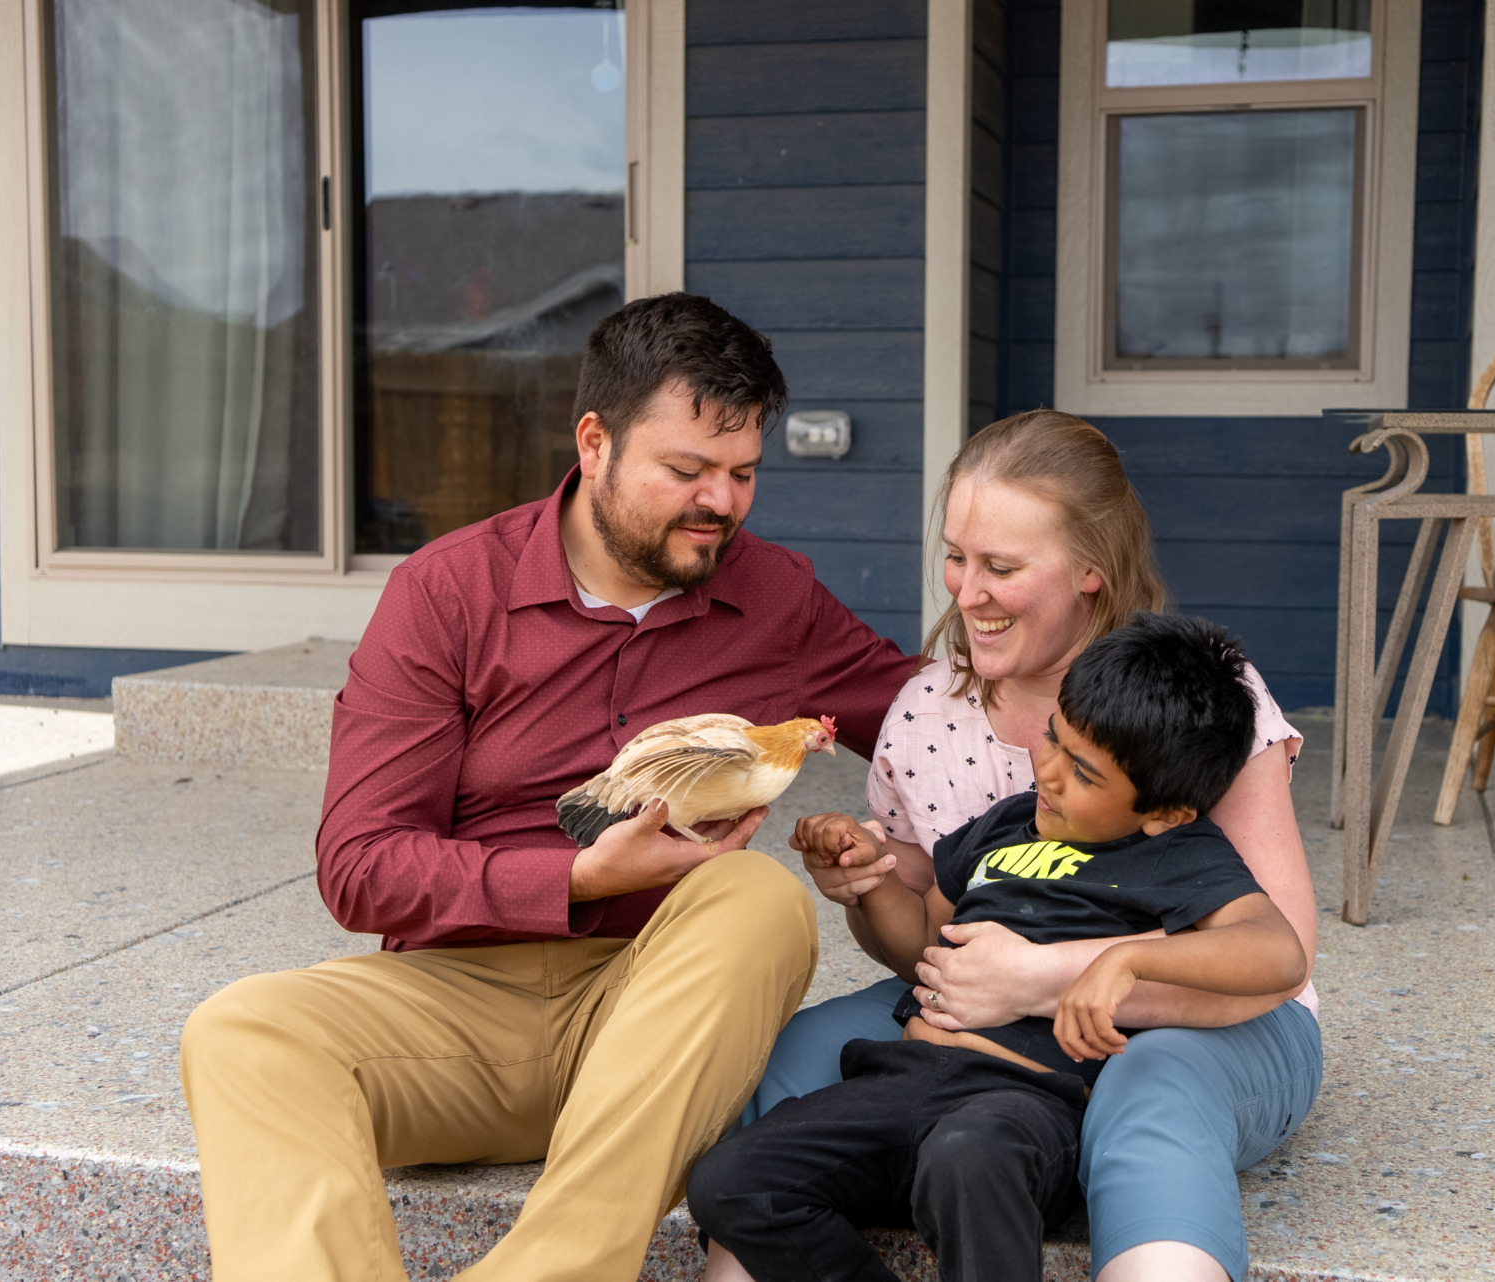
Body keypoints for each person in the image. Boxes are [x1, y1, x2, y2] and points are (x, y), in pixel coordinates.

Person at [177, 293, 920, 1282]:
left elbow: (938, 713)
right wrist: (571, 878)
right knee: (243, 1029)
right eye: (687, 470)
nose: (722, 503)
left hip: (659, 1009)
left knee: (755, 895)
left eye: (742, 474)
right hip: (456, 1004)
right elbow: (359, 868)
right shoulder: (447, 594)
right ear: (595, 442)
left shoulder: (777, 595)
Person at [715, 409, 1322, 1282]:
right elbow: (930, 939)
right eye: (957, 557)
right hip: (978, 1018)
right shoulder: (927, 710)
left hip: (1207, 1015)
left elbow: (1276, 957)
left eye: (1001, 566)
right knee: (796, 1064)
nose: (966, 592)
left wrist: (1046, 976)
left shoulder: (1186, 708)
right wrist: (871, 880)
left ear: (1089, 571)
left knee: (1147, 1094)